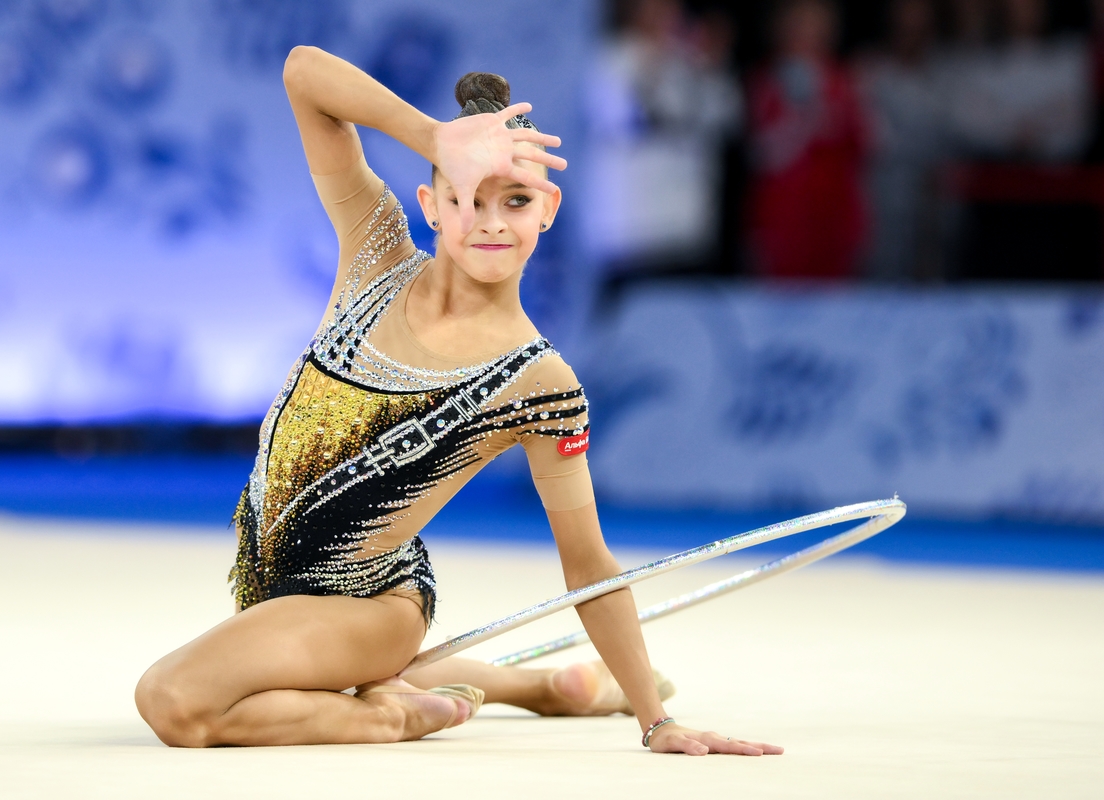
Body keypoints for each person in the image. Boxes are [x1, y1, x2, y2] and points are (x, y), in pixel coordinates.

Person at [132, 45, 783, 757]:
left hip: (370, 607)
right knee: (267, 687)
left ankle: (392, 716)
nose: (490, 221)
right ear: (431, 205)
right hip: (273, 597)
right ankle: (538, 688)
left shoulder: (538, 381)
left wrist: (657, 723)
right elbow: (302, 73)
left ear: (548, 209)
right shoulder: (375, 253)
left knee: (172, 700)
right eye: (466, 196)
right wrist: (432, 136)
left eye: (516, 200)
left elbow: (589, 563)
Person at [746, 0, 868, 280]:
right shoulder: (767, 79)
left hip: (834, 213)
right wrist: (806, 120)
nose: (805, 31)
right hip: (784, 214)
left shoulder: (843, 79)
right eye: (798, 23)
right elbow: (763, 154)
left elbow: (863, 145)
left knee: (835, 295)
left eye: (814, 23)